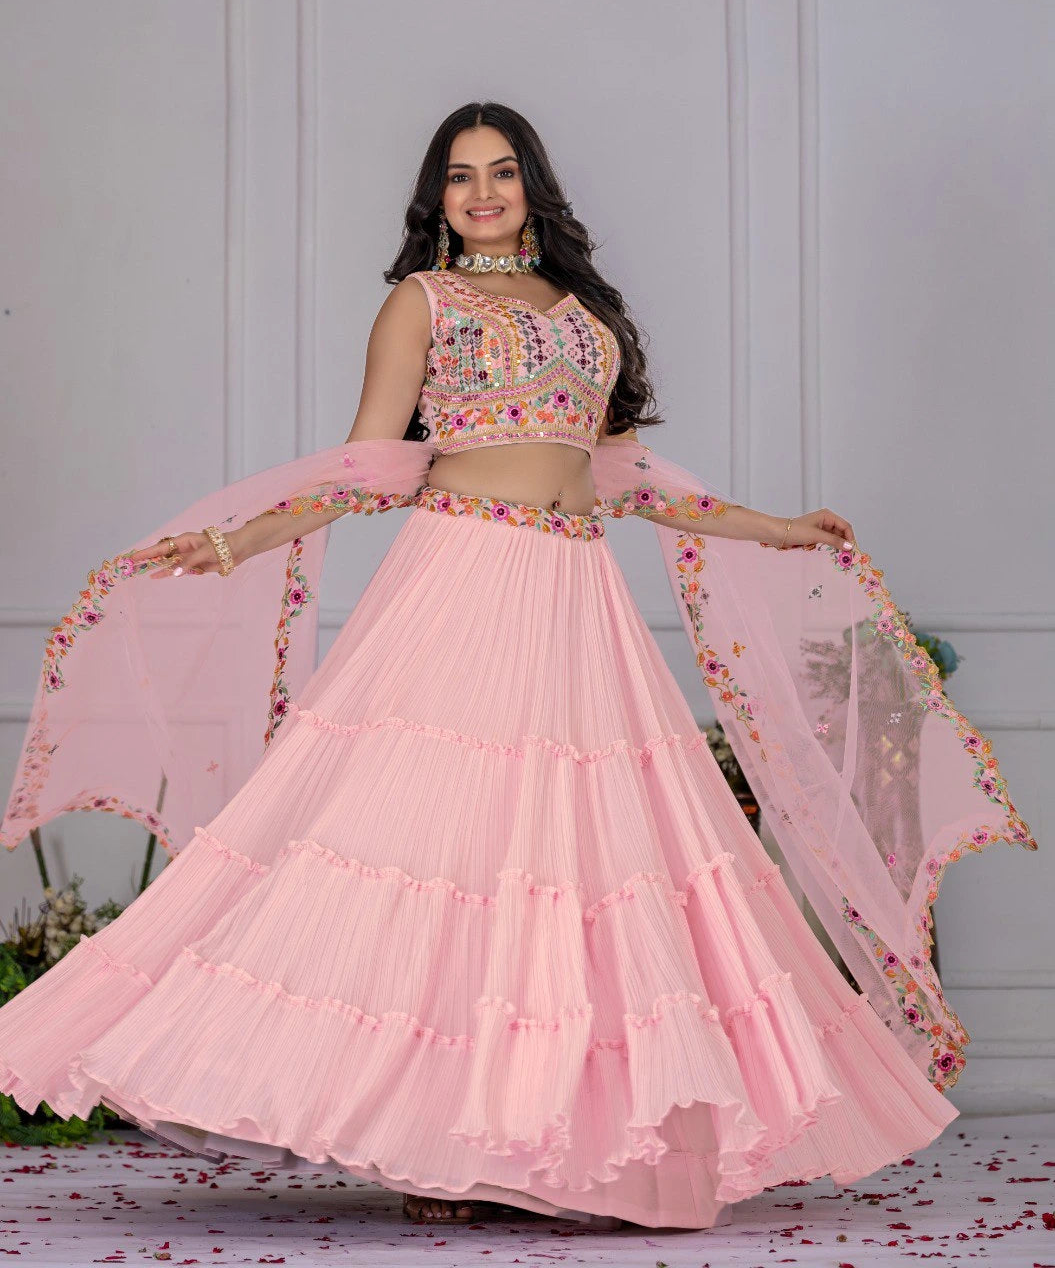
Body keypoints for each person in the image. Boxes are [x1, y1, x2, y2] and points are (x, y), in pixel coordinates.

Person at [0, 102, 1036, 1232]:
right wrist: (233, 538)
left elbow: (625, 474)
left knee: (577, 866)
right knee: (449, 850)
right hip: (460, 581)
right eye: (459, 177)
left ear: (532, 185)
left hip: (575, 594)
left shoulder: (585, 313)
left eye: (500, 172)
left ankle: (558, 1146)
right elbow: (372, 465)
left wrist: (773, 525)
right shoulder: (421, 302)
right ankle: (434, 1146)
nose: (481, 192)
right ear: (434, 199)